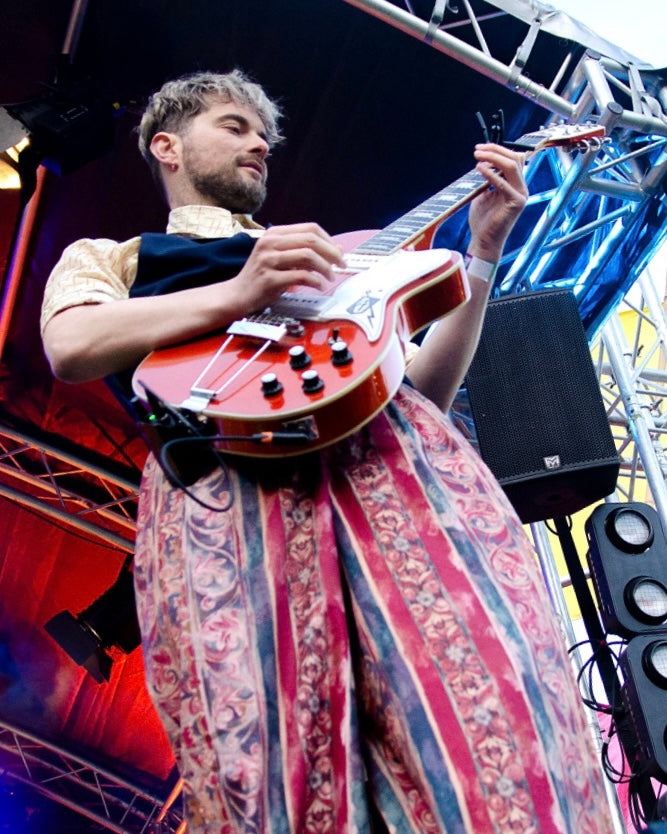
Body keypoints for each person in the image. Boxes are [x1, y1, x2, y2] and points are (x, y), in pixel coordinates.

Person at [41, 70, 613, 833]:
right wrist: (238, 294)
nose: (258, 146)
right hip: (227, 502)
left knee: (495, 711)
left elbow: (419, 397)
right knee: (271, 766)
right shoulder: (113, 256)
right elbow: (71, 343)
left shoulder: (342, 266)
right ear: (166, 146)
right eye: (233, 125)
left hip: (393, 479)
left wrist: (480, 252)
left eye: (264, 137)